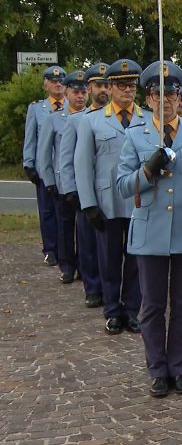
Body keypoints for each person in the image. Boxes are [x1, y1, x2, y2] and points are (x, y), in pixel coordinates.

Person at [116, 60, 182, 398]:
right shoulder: (135, 135)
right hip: (151, 232)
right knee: (151, 305)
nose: (163, 99)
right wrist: (147, 171)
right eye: (155, 93)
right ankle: (157, 369)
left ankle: (179, 367)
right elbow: (121, 186)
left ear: (180, 98)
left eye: (171, 93)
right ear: (148, 99)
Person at [75, 58, 147, 334]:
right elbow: (83, 165)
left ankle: (131, 309)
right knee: (108, 260)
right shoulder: (92, 121)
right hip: (107, 203)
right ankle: (112, 310)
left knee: (136, 260)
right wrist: (88, 204)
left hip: (140, 201)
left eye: (131, 85)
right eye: (121, 85)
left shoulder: (147, 118)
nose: (127, 90)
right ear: (111, 87)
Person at [59, 63, 110, 308]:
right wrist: (71, 189)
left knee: (112, 247)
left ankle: (113, 287)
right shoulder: (78, 120)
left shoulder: (119, 119)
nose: (103, 90)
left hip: (112, 192)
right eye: (98, 85)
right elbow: (67, 158)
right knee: (88, 244)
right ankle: (93, 288)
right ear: (89, 89)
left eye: (106, 85)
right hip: (86, 192)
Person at [36, 70, 88, 285]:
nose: (80, 96)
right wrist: (49, 181)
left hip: (85, 183)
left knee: (86, 230)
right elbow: (44, 154)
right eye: (76, 92)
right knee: (65, 225)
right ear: (66, 93)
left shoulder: (93, 117)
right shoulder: (54, 119)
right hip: (62, 182)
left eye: (84, 92)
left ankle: (86, 266)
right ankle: (67, 265)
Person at [23, 65, 67, 266]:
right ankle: (50, 249)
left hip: (67, 170)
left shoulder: (73, 107)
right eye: (53, 81)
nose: (58, 84)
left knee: (66, 215)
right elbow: (30, 138)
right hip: (45, 169)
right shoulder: (36, 109)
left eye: (61, 81)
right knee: (48, 212)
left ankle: (68, 251)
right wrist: (29, 164)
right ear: (46, 84)